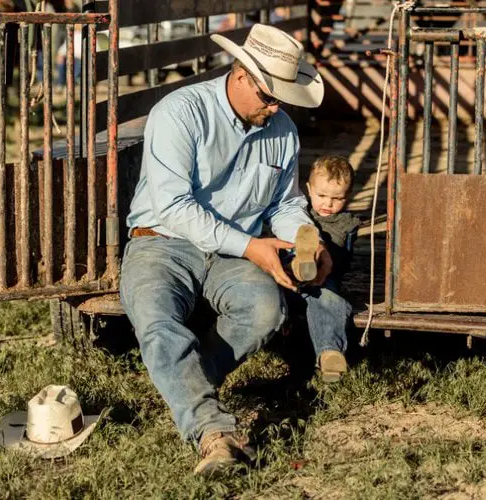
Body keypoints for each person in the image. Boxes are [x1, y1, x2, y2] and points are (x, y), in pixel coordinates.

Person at [119, 24, 332, 476]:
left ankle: (184, 385)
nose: (275, 107)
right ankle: (212, 432)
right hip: (162, 241)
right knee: (156, 318)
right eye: (268, 96)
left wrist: (305, 239)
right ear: (239, 76)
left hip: (235, 250)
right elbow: (173, 206)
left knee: (265, 311)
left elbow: (285, 202)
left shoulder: (283, 130)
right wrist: (251, 245)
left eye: (282, 98)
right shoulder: (180, 112)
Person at [285, 155, 360, 383]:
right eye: (322, 196)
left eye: (337, 198)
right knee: (291, 251)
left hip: (321, 280)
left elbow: (341, 262)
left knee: (329, 301)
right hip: (287, 279)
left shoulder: (346, 223)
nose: (328, 204)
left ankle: (330, 354)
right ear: (308, 189)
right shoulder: (296, 214)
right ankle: (302, 261)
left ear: (349, 195)